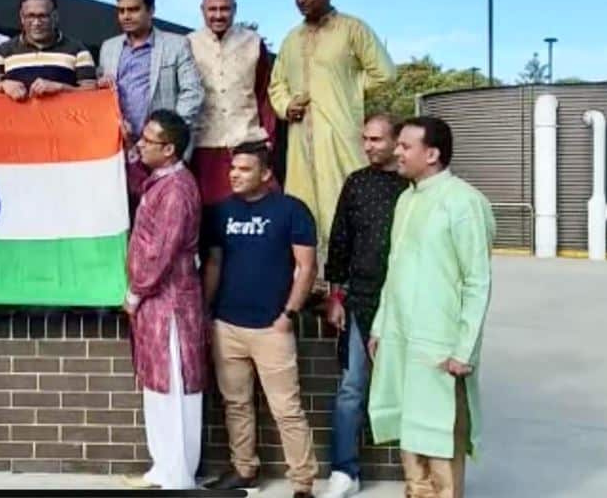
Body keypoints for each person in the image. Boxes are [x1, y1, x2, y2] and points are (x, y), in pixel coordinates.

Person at [369, 117, 494, 498]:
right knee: (411, 430)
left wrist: (464, 349)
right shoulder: (407, 199)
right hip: (401, 336)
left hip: (441, 344)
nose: (397, 152)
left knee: (441, 435)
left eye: (406, 146)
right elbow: (395, 270)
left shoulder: (464, 202)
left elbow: (477, 282)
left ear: (433, 153)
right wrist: (379, 327)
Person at [202, 142, 318, 497]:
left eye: (245, 169)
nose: (235, 174)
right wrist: (207, 312)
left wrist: (288, 314)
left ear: (266, 174)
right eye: (233, 168)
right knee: (236, 404)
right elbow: (215, 264)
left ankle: (302, 483)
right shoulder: (220, 212)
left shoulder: (291, 210)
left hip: (272, 326)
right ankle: (244, 470)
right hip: (228, 324)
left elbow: (306, 267)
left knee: (287, 409)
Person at [268, 0, 395, 257]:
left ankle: (345, 284)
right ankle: (311, 284)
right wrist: (287, 105)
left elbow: (385, 73)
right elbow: (277, 85)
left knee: (344, 202)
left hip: (339, 136)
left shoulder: (352, 29)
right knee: (302, 209)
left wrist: (349, 89)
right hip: (300, 141)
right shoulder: (291, 39)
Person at [321, 113, 408, 498]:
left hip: (407, 304)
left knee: (412, 388)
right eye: (365, 140)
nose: (369, 146)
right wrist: (335, 296)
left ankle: (418, 473)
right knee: (352, 388)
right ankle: (344, 471)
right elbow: (340, 240)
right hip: (360, 299)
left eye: (376, 139)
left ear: (396, 141)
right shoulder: (356, 184)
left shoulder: (414, 187)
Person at [121, 110, 205, 490]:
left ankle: (178, 475)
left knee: (173, 389)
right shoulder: (162, 181)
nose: (141, 144)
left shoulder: (177, 190)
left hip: (169, 302)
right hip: (158, 302)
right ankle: (163, 467)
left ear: (169, 149)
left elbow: (162, 251)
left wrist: (136, 291)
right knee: (157, 387)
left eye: (147, 140)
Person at [99, 0, 204, 198]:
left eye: (134, 9)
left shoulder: (176, 45)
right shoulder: (108, 48)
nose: (126, 16)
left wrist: (168, 136)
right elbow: (102, 95)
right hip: (120, 148)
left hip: (160, 151)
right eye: (121, 11)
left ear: (151, 10)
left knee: (163, 213)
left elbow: (193, 92)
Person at [187, 0, 278, 218]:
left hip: (247, 141)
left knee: (253, 214)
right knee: (207, 218)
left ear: (235, 10)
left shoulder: (253, 42)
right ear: (202, 10)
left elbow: (264, 92)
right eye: (212, 9)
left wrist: (268, 138)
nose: (218, 15)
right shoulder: (188, 44)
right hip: (204, 144)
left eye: (225, 9)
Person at [0, 0, 97, 100]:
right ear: (22, 18)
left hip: (63, 118)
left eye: (43, 16)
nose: (36, 23)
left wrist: (60, 87)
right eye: (30, 16)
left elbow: (93, 93)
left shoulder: (78, 51)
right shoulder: (2, 52)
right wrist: (3, 85)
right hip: (15, 119)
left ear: (55, 17)